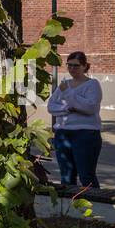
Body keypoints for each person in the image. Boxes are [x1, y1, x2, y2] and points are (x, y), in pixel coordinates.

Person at [46, 51, 103, 188]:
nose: (72, 69)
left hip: (86, 134)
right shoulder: (65, 84)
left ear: (84, 66)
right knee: (66, 176)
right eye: (69, 65)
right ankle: (68, 207)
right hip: (63, 134)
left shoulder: (92, 84)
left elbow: (90, 107)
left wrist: (69, 96)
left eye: (76, 66)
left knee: (86, 175)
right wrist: (69, 108)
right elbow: (51, 106)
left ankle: (93, 203)